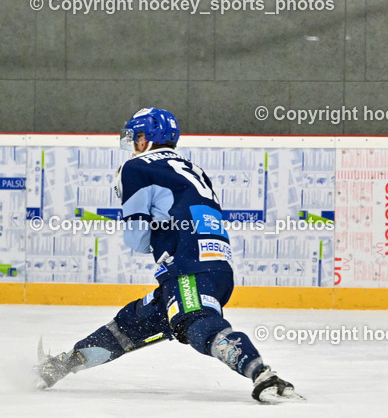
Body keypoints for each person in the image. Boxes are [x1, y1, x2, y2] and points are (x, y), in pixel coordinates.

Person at [35, 108, 301, 402]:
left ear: (146, 137)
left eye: (136, 137)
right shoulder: (192, 168)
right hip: (216, 270)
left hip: (186, 269)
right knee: (132, 324)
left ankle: (263, 375)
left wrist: (153, 234)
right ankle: (59, 366)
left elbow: (136, 239)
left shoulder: (136, 168)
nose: (133, 143)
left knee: (198, 323)